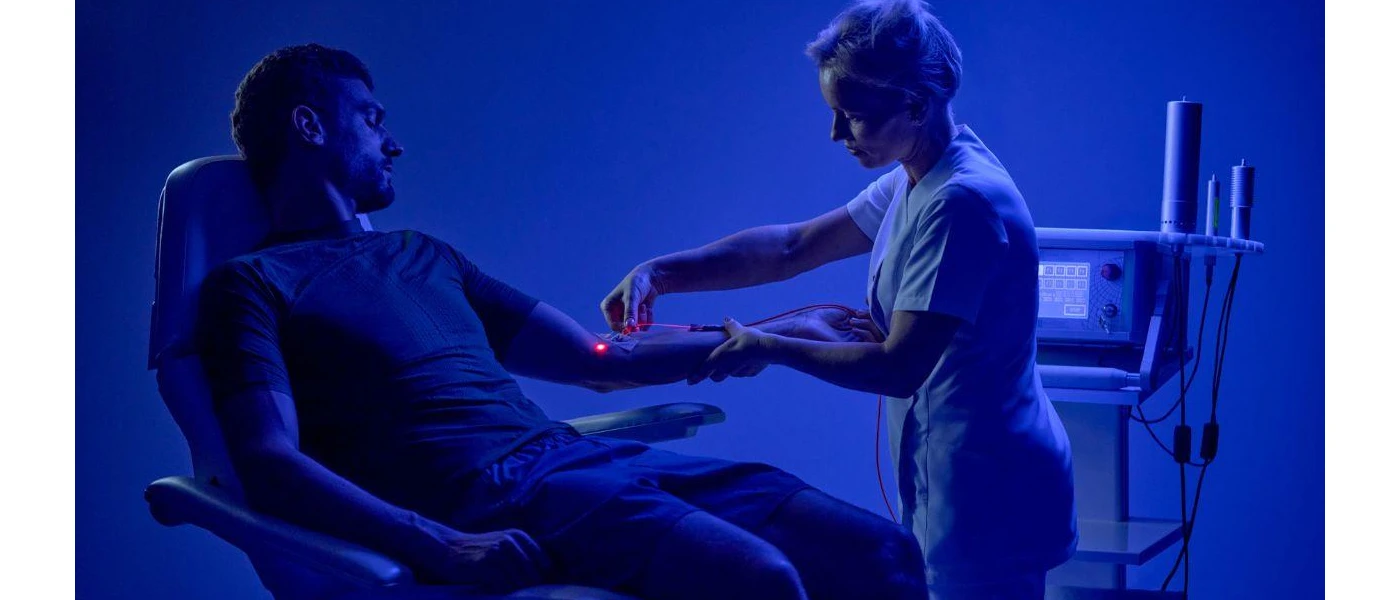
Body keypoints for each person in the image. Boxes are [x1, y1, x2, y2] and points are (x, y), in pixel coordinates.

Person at [197, 43, 927, 600]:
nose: (392, 143)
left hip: (572, 464)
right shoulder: (251, 284)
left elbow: (596, 360)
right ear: (309, 125)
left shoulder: (424, 255)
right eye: (371, 119)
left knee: (882, 554)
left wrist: (779, 334)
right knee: (758, 579)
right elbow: (268, 461)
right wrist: (440, 544)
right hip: (487, 498)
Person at [600, 1, 1077, 597]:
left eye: (853, 117)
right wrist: (660, 273)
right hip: (970, 472)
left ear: (918, 104)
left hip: (985, 489)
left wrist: (772, 346)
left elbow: (900, 368)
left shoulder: (961, 202)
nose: (836, 135)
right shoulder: (917, 178)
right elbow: (792, 247)